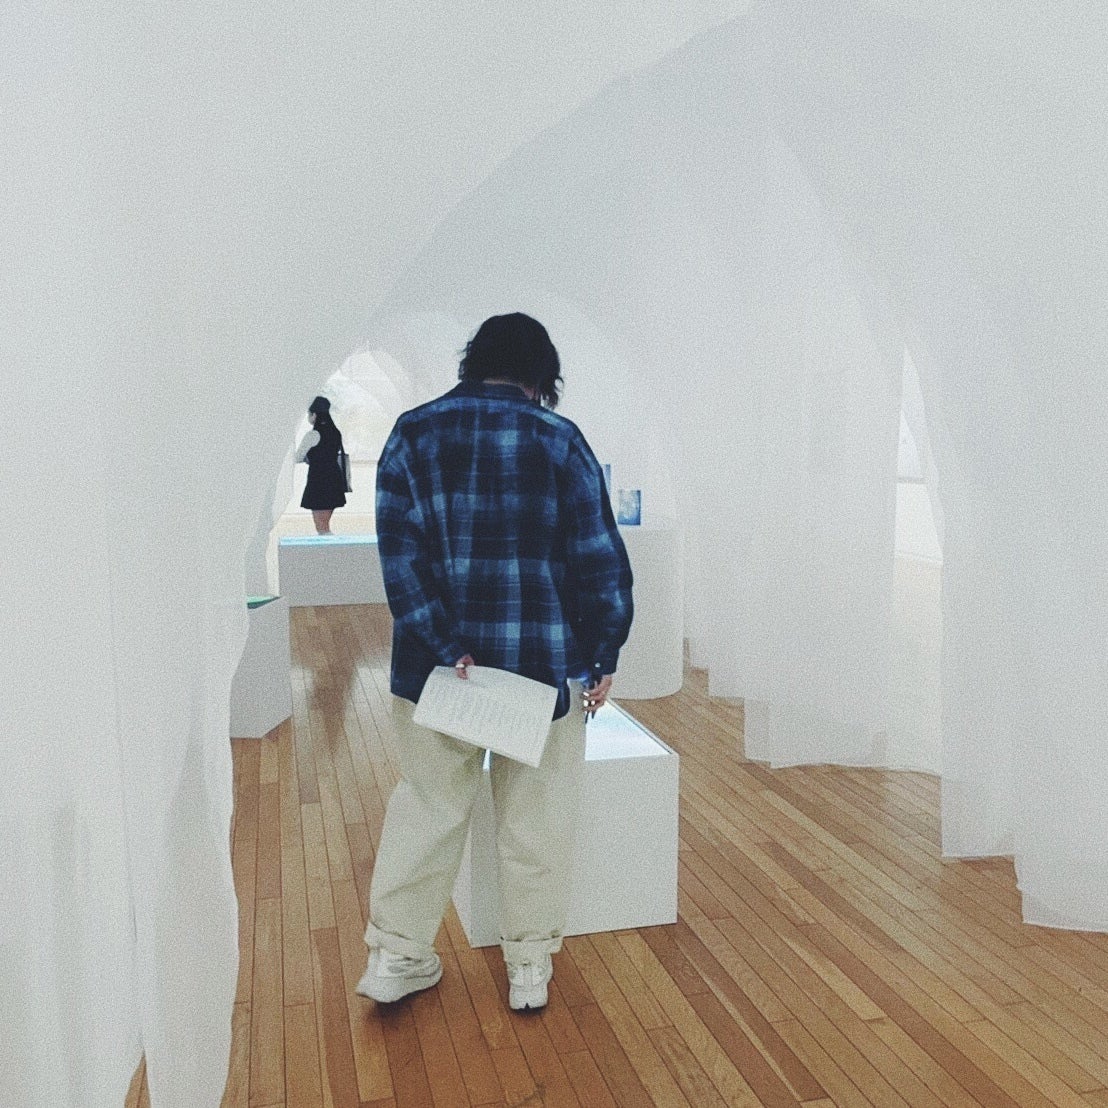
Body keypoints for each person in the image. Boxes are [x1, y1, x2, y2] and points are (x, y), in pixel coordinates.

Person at [357, 312, 633, 1011]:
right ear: (542, 377)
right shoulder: (560, 441)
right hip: (539, 666)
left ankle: (396, 956)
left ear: (472, 362)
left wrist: (445, 643)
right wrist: (603, 651)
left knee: (427, 810)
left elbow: (400, 563)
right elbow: (599, 561)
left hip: (436, 674)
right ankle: (528, 968)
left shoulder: (412, 434)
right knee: (536, 822)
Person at [295, 395, 347, 534]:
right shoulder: (335, 433)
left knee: (321, 525)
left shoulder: (313, 435)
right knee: (325, 524)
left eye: (309, 414)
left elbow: (298, 457)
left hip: (318, 480)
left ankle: (330, 547)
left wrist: (309, 458)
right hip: (334, 479)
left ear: (314, 414)